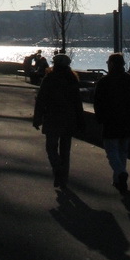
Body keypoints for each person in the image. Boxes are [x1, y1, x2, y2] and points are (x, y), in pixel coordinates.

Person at [93, 53, 130, 194]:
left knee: (111, 150)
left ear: (111, 64)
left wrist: (100, 118)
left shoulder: (104, 81)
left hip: (111, 121)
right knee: (123, 150)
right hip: (127, 120)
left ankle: (120, 172)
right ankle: (118, 180)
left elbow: (98, 103)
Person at [33, 53, 85, 189]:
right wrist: (81, 120)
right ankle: (63, 178)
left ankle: (57, 169)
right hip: (69, 119)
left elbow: (41, 100)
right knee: (65, 150)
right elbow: (78, 103)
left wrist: (37, 118)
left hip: (52, 118)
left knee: (51, 147)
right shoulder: (72, 79)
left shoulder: (49, 78)